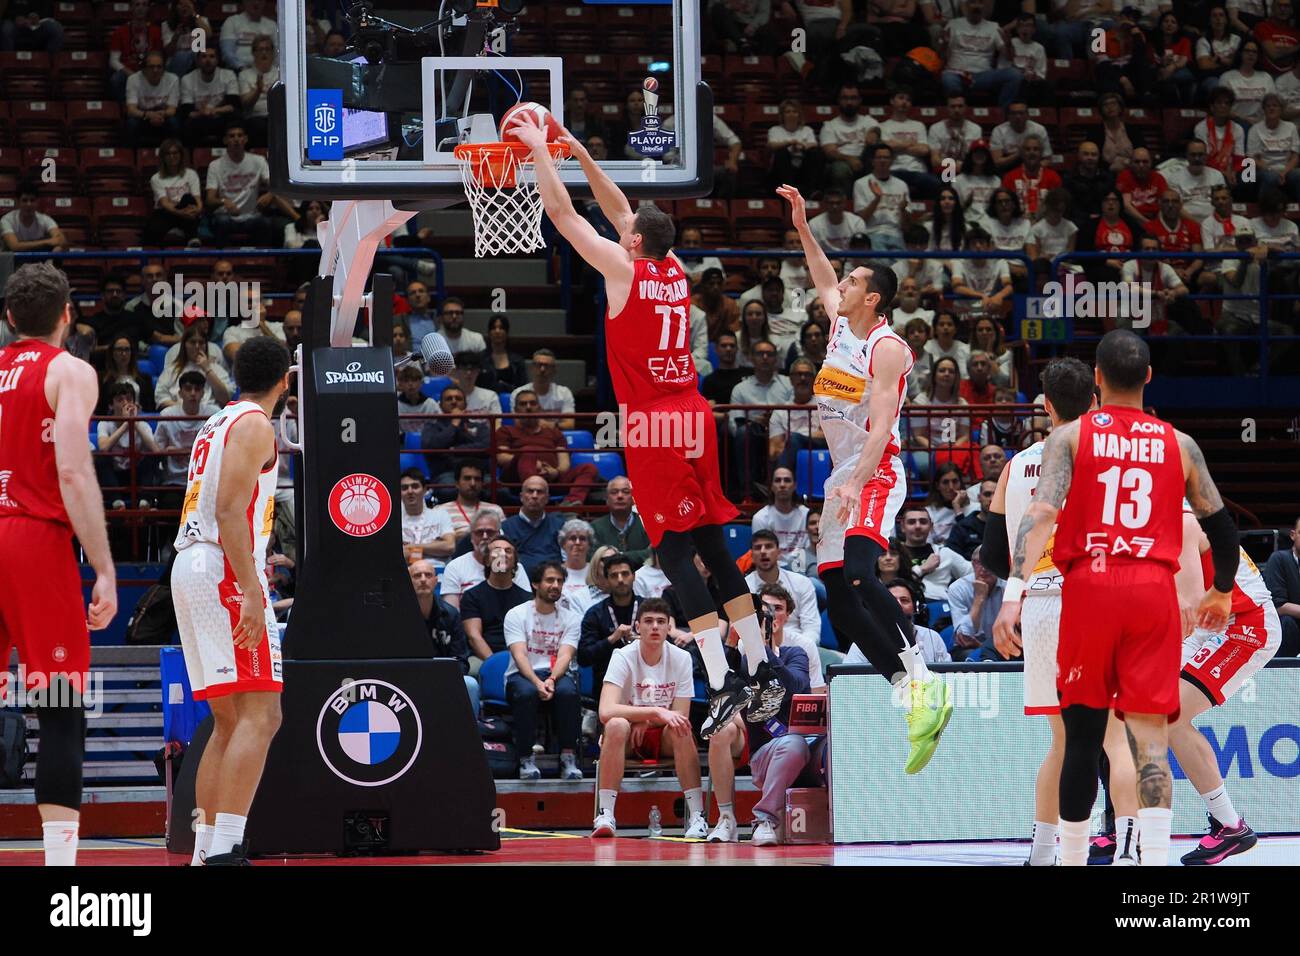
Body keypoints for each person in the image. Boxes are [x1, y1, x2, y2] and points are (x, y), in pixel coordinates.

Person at [515, 119, 787, 737]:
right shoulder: (672, 270)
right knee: (716, 544)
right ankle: (763, 667)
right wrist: (580, 149)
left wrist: (541, 156)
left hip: (655, 424)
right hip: (695, 412)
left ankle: (723, 678)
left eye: (627, 231)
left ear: (633, 241)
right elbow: (618, 211)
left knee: (673, 551)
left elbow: (565, 217)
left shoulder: (621, 269)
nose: (622, 229)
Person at [994, 330, 1238, 868]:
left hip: (1091, 588)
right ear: (1149, 378)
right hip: (1151, 593)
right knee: (1149, 740)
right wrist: (1220, 591)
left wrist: (1013, 594)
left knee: (1081, 738)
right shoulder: (1180, 445)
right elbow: (1224, 531)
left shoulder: (1072, 437)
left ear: (1098, 380)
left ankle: (1075, 859)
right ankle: (1150, 866)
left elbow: (1039, 519)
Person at [780, 183, 953, 775]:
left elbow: (882, 425)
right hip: (840, 481)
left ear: (873, 298)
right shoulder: (839, 325)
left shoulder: (887, 348)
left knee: (859, 574)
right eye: (844, 282)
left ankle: (923, 671)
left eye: (853, 282)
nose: (840, 287)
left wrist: (855, 482)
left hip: (875, 472)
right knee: (839, 599)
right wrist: (804, 226)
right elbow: (822, 275)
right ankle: (910, 695)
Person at [982, 355, 1141, 866]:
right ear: (1094, 400)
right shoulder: (1112, 454)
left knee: (1062, 742)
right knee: (1115, 736)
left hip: (1038, 605)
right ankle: (1131, 851)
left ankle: (1045, 852)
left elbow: (991, 552)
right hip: (1097, 596)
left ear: (1045, 406)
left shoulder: (1016, 465)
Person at [0, 263, 117, 866]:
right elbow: (72, 470)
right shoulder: (69, 370)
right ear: (67, 316)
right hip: (32, 539)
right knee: (61, 705)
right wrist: (103, 567)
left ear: (10, 319)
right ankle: (60, 870)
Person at [170, 336, 289, 866]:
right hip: (222, 566)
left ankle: (205, 852)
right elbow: (228, 511)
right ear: (284, 380)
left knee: (228, 719)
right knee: (262, 715)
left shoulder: (216, 421)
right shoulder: (256, 424)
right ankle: (226, 852)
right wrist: (250, 592)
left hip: (193, 563)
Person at [1172, 504, 1282, 864]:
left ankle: (1229, 825)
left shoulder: (1182, 520)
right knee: (1138, 709)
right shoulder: (1162, 515)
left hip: (1246, 624)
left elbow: (1183, 603)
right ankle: (1123, 823)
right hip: (1211, 621)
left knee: (1169, 713)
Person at [592, 597, 706, 838]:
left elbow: (681, 714)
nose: (655, 626)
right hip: (625, 738)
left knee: (682, 728)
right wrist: (653, 712)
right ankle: (606, 815)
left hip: (662, 736)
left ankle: (698, 816)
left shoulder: (682, 658)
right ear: (637, 627)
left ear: (668, 627)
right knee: (615, 724)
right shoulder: (622, 656)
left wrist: (648, 720)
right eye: (649, 621)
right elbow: (605, 710)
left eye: (661, 622)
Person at [705, 595, 814, 846]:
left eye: (755, 623)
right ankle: (761, 820)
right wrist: (732, 647)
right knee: (793, 744)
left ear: (772, 625)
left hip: (807, 741)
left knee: (822, 747)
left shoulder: (794, 654)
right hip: (767, 750)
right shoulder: (740, 664)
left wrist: (761, 648)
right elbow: (719, 697)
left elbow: (793, 686)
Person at [504, 561, 584, 781]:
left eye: (559, 581)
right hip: (522, 674)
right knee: (527, 693)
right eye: (550, 580)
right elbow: (519, 655)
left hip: (555, 673)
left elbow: (566, 655)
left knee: (568, 692)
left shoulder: (571, 618)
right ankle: (525, 759)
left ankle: (568, 758)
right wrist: (537, 683)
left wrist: (550, 679)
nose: (555, 585)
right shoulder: (516, 614)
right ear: (535, 584)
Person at [494, 394, 600, 506]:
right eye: (523, 404)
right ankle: (534, 498)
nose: (528, 407)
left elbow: (564, 463)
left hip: (551, 478)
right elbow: (502, 458)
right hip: (518, 480)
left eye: (533, 403)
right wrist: (529, 461)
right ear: (515, 410)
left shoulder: (554, 432)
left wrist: (555, 472)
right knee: (528, 451)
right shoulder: (505, 431)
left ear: (539, 408)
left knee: (589, 468)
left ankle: (570, 504)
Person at [408, 560, 479, 714]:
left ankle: (468, 736)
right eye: (417, 575)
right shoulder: (398, 616)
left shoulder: (451, 615)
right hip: (409, 675)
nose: (423, 579)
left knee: (471, 685)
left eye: (428, 575)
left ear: (435, 581)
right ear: (408, 581)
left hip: (444, 675)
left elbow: (461, 659)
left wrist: (445, 677)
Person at [459, 535, 532, 663]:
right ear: (487, 561)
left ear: (515, 562)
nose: (502, 554)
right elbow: (474, 636)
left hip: (521, 658)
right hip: (483, 658)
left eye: (508, 551)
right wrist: (496, 665)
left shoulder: (527, 599)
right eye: (497, 551)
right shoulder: (471, 596)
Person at [440, 511, 531, 608]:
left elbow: (526, 606)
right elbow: (451, 612)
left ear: (499, 534)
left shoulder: (514, 567)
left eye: (490, 532)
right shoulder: (455, 567)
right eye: (479, 532)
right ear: (471, 537)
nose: (485, 537)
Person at [745, 529, 821, 638]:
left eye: (768, 546)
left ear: (779, 553)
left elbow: (812, 628)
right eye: (757, 547)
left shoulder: (801, 583)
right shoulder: (744, 588)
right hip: (760, 645)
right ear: (751, 555)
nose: (763, 551)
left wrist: (802, 651)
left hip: (798, 644)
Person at [751, 467, 811, 567]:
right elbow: (761, 553)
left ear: (794, 485)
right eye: (778, 481)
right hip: (773, 569)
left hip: (803, 568)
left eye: (787, 480)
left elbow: (811, 549)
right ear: (772, 486)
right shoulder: (760, 517)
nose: (782, 485)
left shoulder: (806, 514)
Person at [589, 476, 652, 569]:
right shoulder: (595, 527)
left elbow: (652, 554)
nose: (620, 496)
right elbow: (592, 556)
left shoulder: (646, 524)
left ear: (633, 499)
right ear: (607, 499)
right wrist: (636, 556)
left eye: (626, 492)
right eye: (614, 492)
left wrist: (618, 556)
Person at [434, 460, 505, 541]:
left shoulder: (495, 510)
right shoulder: (440, 511)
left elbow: (502, 540)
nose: (472, 483)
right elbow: (433, 543)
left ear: (482, 483)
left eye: (477, 479)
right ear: (457, 483)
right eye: (467, 478)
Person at [397, 468, 454, 566]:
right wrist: (434, 546)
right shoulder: (393, 519)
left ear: (425, 490)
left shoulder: (440, 514)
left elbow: (449, 546)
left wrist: (412, 547)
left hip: (438, 572)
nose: (410, 491)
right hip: (405, 573)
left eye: (415, 486)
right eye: (404, 488)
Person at [124, 51, 181, 147]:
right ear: (144, 68)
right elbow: (131, 110)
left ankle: (172, 153)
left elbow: (172, 110)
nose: (155, 70)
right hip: (143, 116)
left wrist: (161, 114)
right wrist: (147, 115)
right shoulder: (133, 79)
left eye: (159, 67)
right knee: (131, 124)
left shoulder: (173, 79)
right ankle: (133, 157)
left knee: (174, 123)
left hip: (162, 116)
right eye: (151, 67)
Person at [1262, 516, 1300, 656]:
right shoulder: (1279, 559)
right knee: (1286, 623)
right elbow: (1279, 606)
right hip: (1288, 627)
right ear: (1293, 535)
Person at [509, 351, 574, 430]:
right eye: (538, 365)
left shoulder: (564, 393)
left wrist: (550, 425)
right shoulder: (518, 393)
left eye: (547, 366)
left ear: (554, 370)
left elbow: (570, 425)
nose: (542, 369)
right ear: (532, 368)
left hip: (555, 437)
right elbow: (518, 423)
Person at [1, 182, 66, 254]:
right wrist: (47, 242)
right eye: (24, 200)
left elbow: (60, 239)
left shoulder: (45, 219)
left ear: (37, 202)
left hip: (38, 263)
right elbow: (14, 246)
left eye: (32, 200)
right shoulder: (6, 220)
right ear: (17, 202)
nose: (29, 204)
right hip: (14, 263)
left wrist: (58, 247)